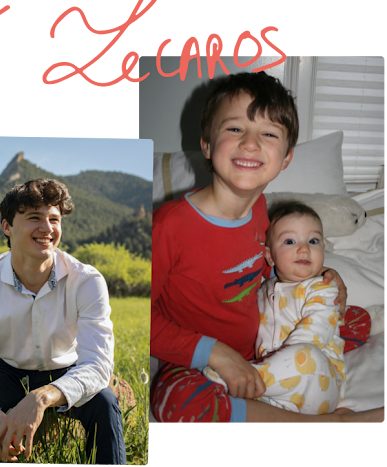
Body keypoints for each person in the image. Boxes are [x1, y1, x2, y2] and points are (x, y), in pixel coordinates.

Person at [150, 71, 383, 423]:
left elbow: (265, 266)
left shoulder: (261, 212)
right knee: (175, 402)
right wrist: (215, 354)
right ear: (207, 145)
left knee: (357, 318)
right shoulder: (168, 226)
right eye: (234, 129)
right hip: (200, 361)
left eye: (268, 134)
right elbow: (134, 318)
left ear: (286, 158)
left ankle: (278, 380)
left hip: (266, 339)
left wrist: (321, 277)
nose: (250, 143)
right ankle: (327, 420)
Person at [0, 178, 126, 463]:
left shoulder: (87, 281)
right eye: (34, 218)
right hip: (7, 372)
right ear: (7, 226)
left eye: (54, 219)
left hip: (66, 370)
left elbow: (98, 364)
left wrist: (41, 397)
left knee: (106, 403)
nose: (47, 228)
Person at [203, 200, 348, 414]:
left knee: (307, 355)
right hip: (278, 392)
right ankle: (258, 389)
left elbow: (316, 331)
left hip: (319, 382)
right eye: (290, 241)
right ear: (269, 256)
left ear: (323, 248)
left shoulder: (323, 288)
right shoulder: (261, 290)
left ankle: (244, 378)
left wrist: (270, 364)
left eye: (313, 240)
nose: (304, 248)